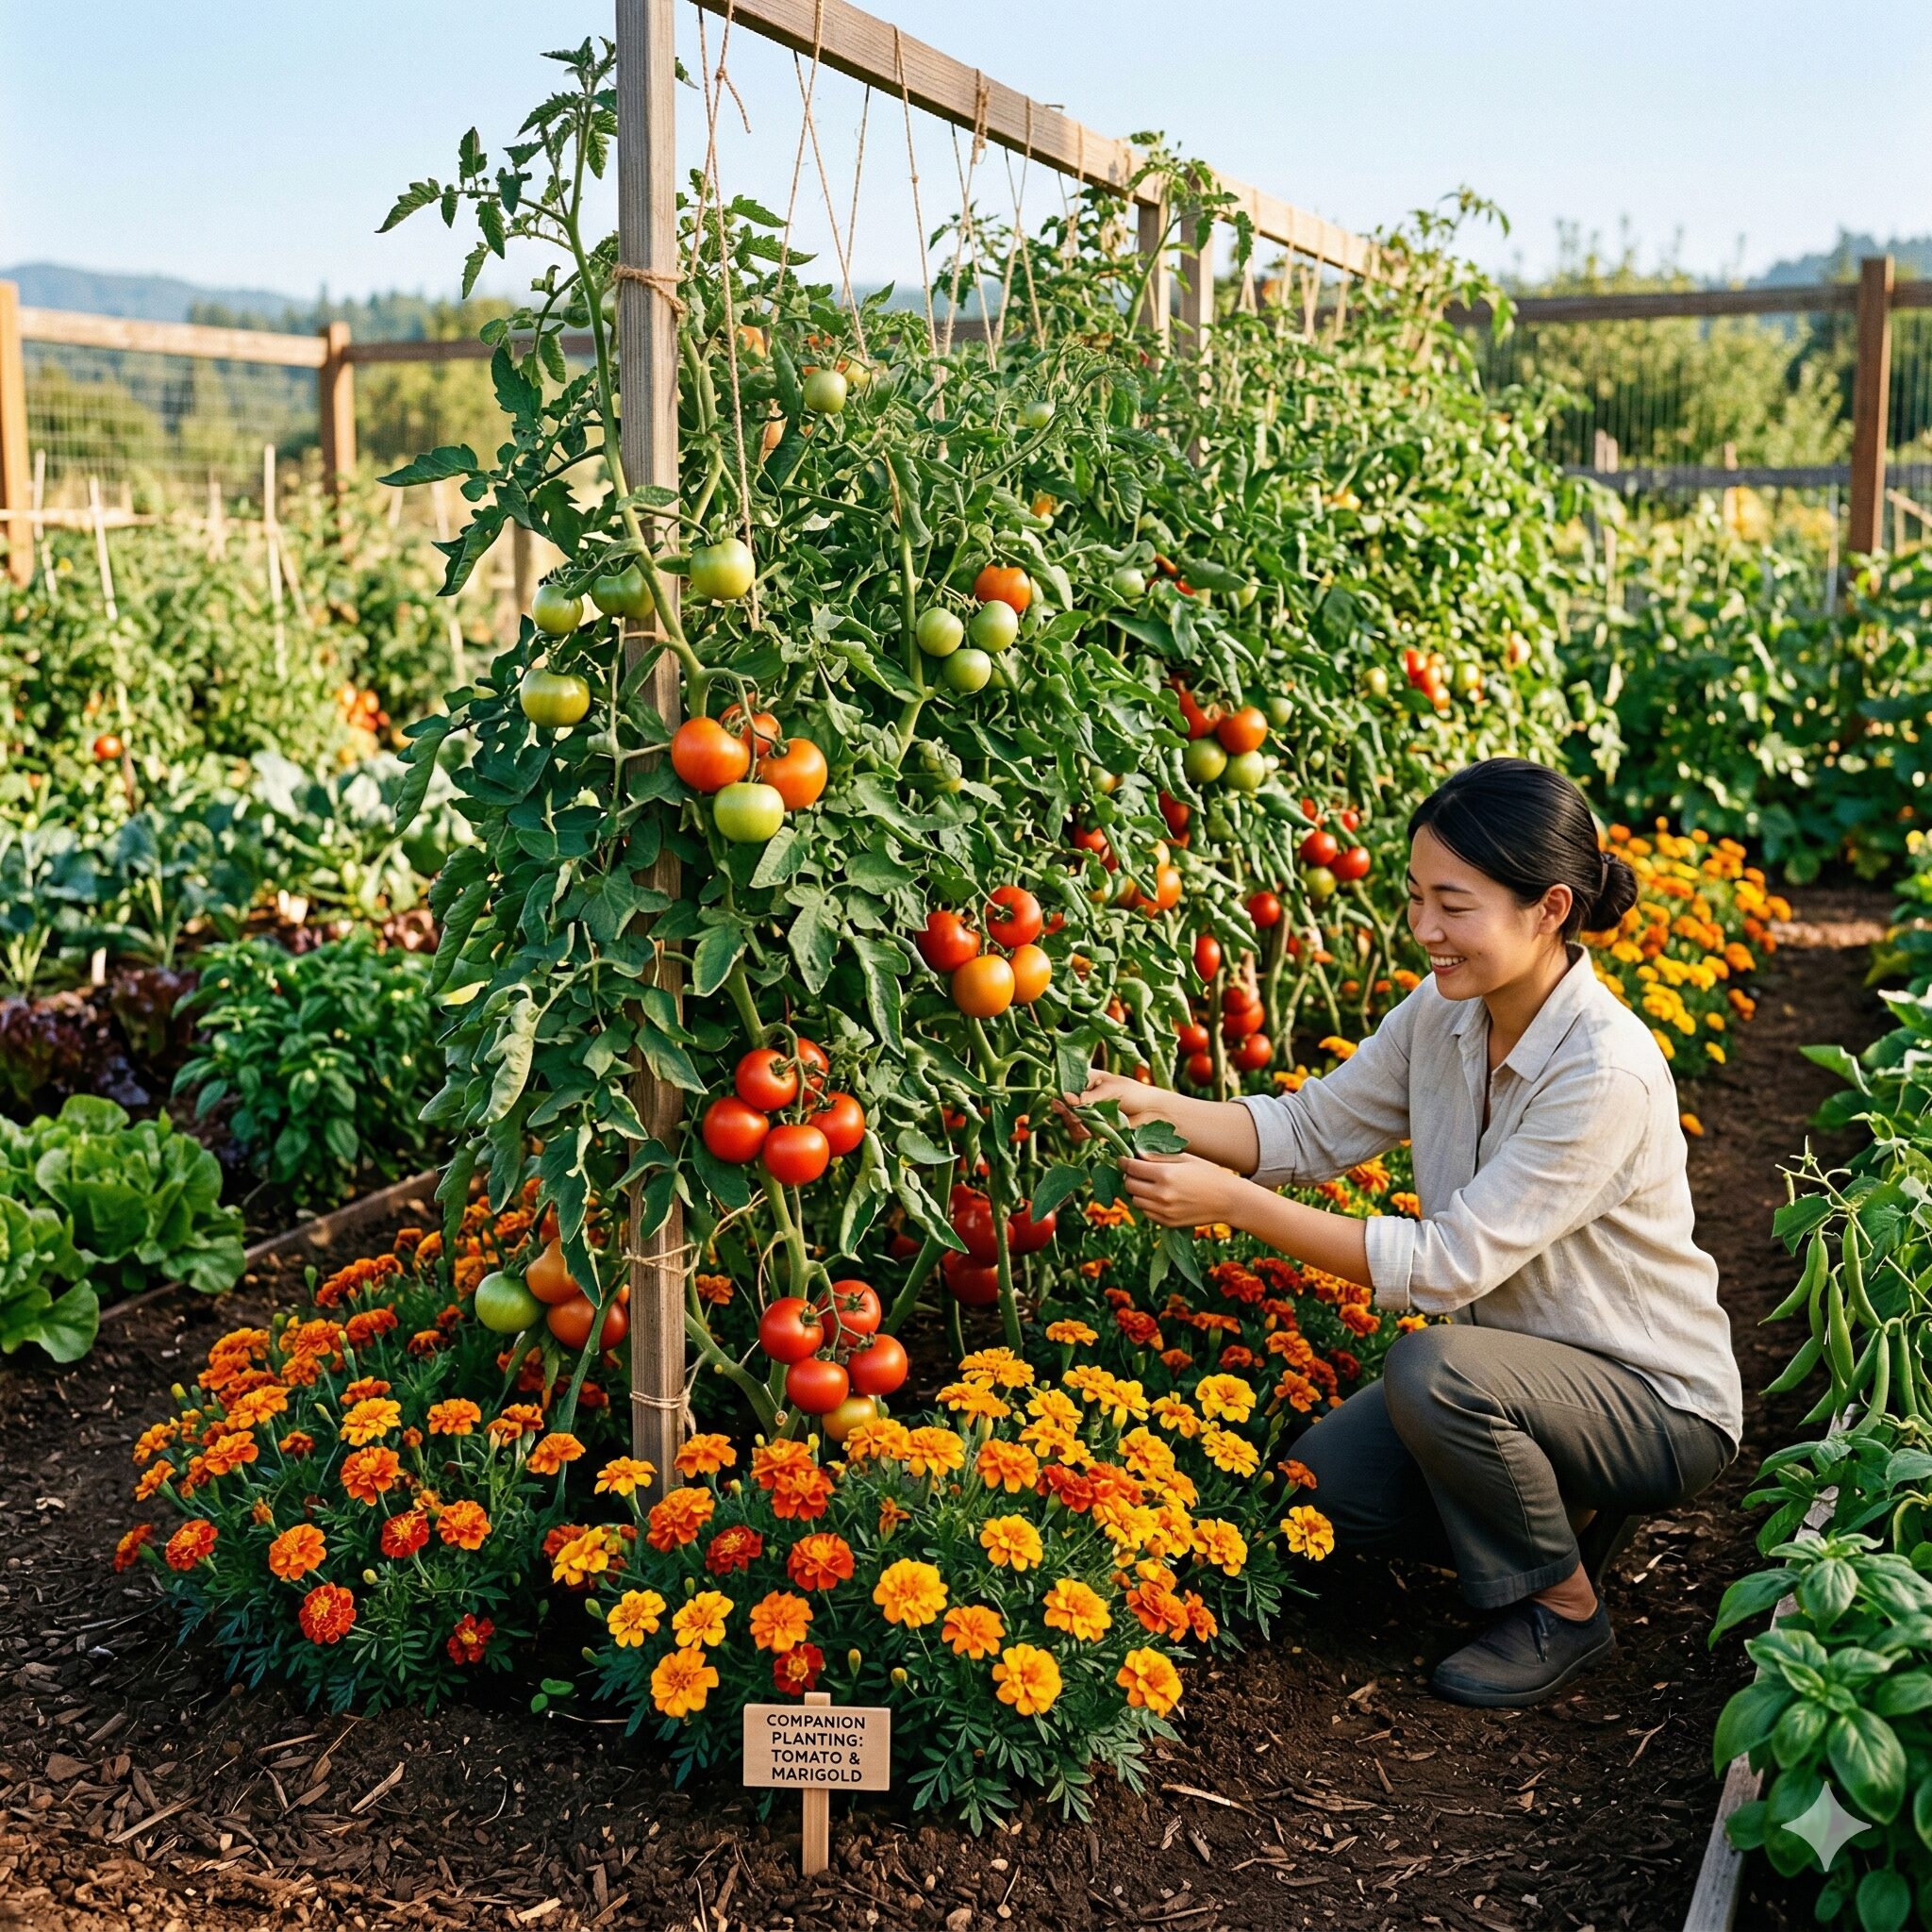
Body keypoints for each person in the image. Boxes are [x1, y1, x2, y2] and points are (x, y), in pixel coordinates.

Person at [1068, 758, 1741, 1707]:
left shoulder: (1602, 1071)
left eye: (1452, 905)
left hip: (1650, 1402)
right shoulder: (1445, 1013)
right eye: (1415, 897)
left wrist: (1236, 1205)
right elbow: (1307, 1130)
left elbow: (1442, 1265)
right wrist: (1152, 1104)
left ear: (1546, 907)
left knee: (1431, 1368)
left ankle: (1560, 1602)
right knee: (1318, 1486)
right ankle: (1554, 1503)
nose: (1423, 929)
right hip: (1516, 1372)